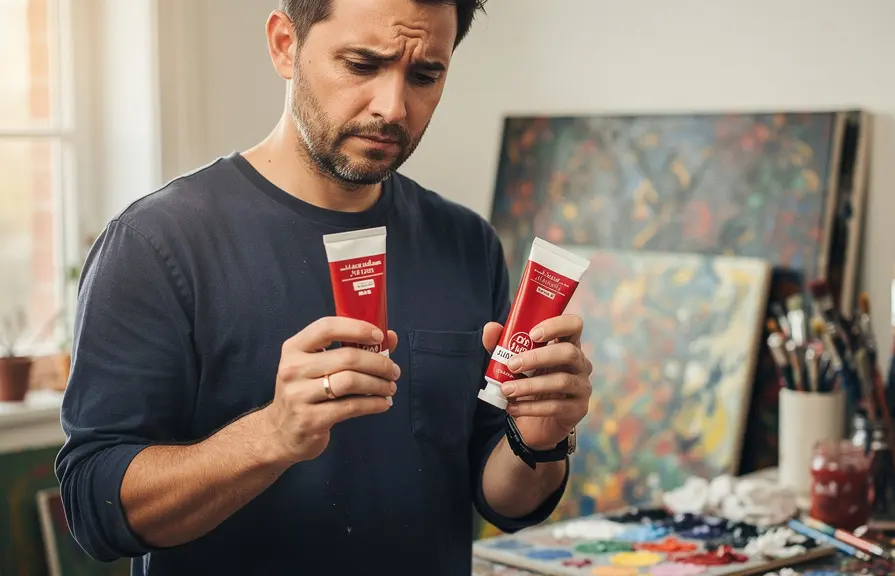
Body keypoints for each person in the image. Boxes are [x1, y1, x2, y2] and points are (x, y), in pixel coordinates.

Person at [54, 0, 594, 574]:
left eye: (424, 75)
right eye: (362, 64)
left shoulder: (466, 243)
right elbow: (94, 509)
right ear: (286, 44)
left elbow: (503, 498)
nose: (393, 107)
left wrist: (536, 441)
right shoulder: (157, 243)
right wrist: (272, 436)